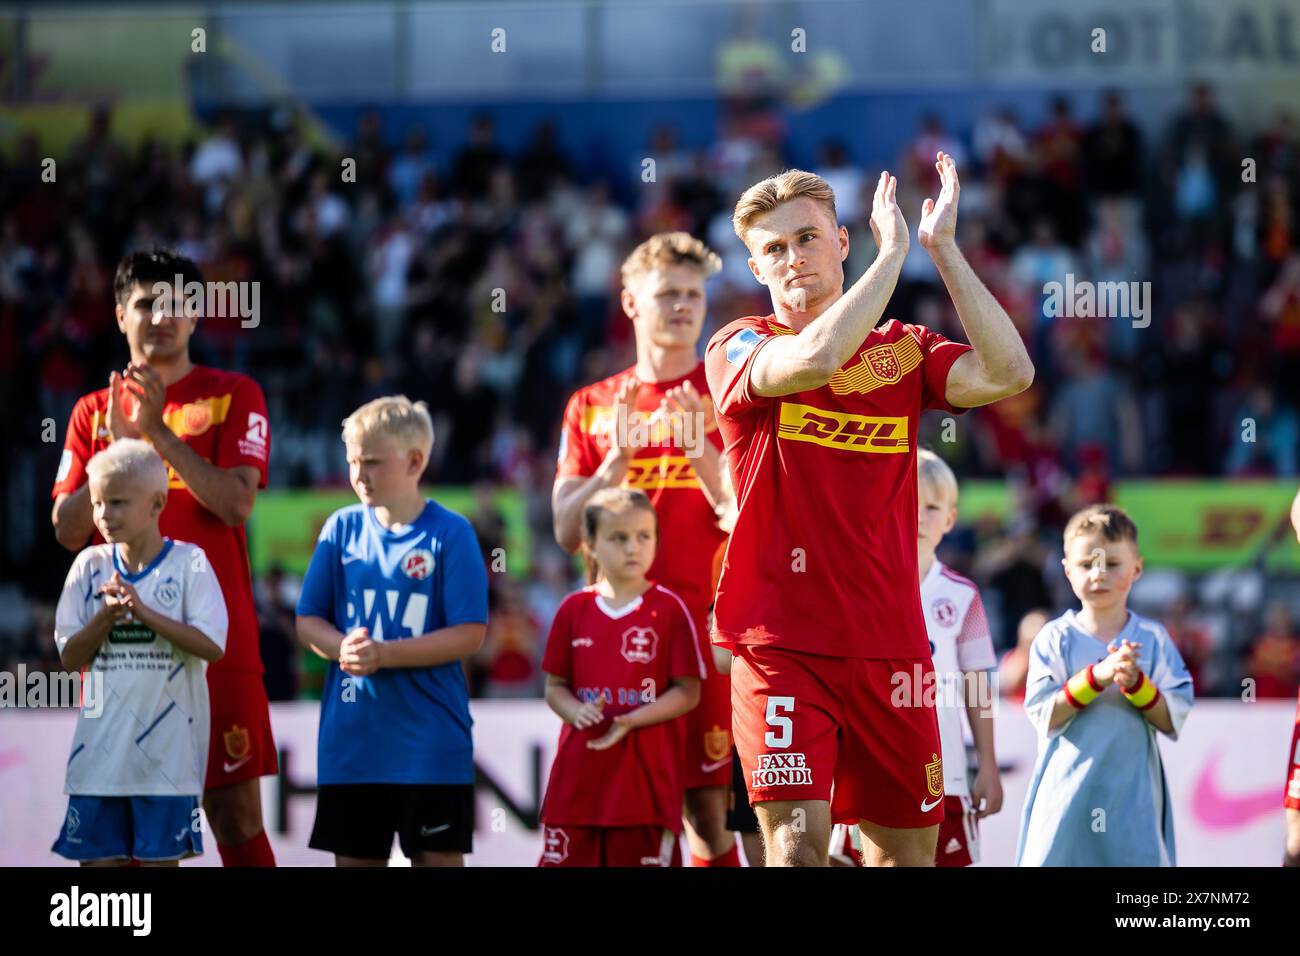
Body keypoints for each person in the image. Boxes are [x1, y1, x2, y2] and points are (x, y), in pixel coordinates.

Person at [705, 155, 1033, 866]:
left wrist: (943, 250)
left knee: (906, 860)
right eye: (774, 250)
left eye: (808, 238)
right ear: (756, 268)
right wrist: (894, 257)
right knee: (795, 849)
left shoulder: (904, 352)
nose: (793, 259)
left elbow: (1010, 372)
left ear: (841, 241)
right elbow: (817, 361)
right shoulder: (739, 345)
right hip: (781, 646)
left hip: (894, 651)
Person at [51, 249, 278, 866]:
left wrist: (155, 433)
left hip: (213, 644)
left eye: (179, 303)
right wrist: (114, 449)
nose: (163, 317)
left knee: (234, 817)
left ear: (198, 316)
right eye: (148, 303)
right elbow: (68, 531)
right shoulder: (90, 414)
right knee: (125, 836)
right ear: (121, 314)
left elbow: (235, 505)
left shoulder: (235, 393)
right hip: (120, 653)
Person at [553, 232, 738, 865]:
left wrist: (702, 452)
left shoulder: (730, 398)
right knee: (629, 817)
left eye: (694, 294)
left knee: (713, 816)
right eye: (667, 294)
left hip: (711, 637)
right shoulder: (593, 406)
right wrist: (614, 465)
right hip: (619, 645)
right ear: (630, 302)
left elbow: (754, 518)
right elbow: (563, 527)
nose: (684, 306)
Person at [295, 396, 488, 866]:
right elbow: (307, 620)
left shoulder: (452, 532)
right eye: (353, 462)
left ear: (416, 461)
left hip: (432, 747)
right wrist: (341, 647)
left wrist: (384, 654)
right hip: (353, 747)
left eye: (373, 462)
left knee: (437, 860)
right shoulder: (339, 529)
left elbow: (469, 633)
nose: (359, 474)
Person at [51, 439, 227, 865]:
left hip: (168, 766)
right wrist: (105, 619)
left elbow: (213, 646)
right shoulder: (88, 566)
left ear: (156, 503)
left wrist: (144, 612)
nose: (104, 515)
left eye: (117, 503)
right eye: (97, 503)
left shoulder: (191, 563)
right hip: (97, 762)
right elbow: (69, 658)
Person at [1016, 505, 1194, 866]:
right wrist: (1096, 677)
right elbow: (1044, 714)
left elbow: (1172, 718)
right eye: (1086, 564)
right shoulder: (1054, 638)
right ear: (1067, 571)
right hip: (1065, 803)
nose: (1098, 573)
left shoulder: (1154, 640)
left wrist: (1136, 685)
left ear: (1137, 569)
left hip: (1133, 804)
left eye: (1112, 563)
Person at [538, 487, 703, 867]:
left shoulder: (669, 609)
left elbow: (688, 692)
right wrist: (576, 711)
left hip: (643, 791)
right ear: (591, 545)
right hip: (576, 786)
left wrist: (632, 718)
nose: (633, 547)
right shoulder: (573, 609)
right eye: (619, 538)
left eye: (644, 536)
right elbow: (555, 688)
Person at [914, 449, 1002, 865]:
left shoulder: (962, 596)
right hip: (870, 771)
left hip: (945, 773)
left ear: (950, 520)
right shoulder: (858, 586)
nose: (919, 516)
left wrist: (987, 763)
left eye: (931, 507)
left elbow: (977, 684)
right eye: (909, 503)